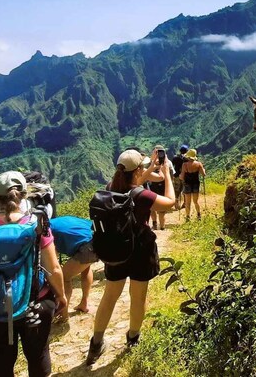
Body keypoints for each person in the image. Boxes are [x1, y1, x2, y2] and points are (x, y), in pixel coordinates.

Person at [0, 171, 68, 377]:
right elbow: (54, 269)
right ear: (24, 196)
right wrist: (61, 297)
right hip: (36, 305)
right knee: (38, 357)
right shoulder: (36, 226)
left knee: (0, 366)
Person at [86, 149, 175, 365]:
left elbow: (132, 182)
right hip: (140, 252)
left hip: (115, 251)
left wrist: (150, 168)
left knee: (109, 297)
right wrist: (166, 174)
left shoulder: (110, 189)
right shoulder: (142, 196)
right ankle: (133, 337)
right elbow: (170, 202)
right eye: (142, 168)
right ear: (137, 171)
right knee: (138, 297)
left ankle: (96, 343)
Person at [49, 215, 97, 313]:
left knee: (64, 277)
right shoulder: (57, 222)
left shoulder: (46, 231)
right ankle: (84, 303)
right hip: (97, 240)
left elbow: (52, 258)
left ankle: (64, 314)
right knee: (86, 268)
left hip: (87, 247)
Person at [146, 145, 175, 230]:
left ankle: (155, 224)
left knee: (152, 206)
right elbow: (171, 174)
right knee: (160, 208)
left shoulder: (150, 162)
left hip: (152, 186)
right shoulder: (168, 162)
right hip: (163, 186)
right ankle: (162, 227)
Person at [179, 149, 206, 221]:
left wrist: (180, 177)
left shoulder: (184, 165)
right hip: (196, 184)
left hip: (187, 184)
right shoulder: (199, 164)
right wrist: (204, 169)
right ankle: (199, 215)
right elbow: (203, 174)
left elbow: (182, 176)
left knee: (188, 202)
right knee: (195, 201)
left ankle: (188, 217)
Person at [171, 144, 189, 209]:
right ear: (187, 151)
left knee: (177, 189)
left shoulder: (175, 157)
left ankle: (176, 204)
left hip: (176, 175)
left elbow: (172, 166)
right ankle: (185, 203)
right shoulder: (187, 159)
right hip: (185, 176)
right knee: (185, 189)